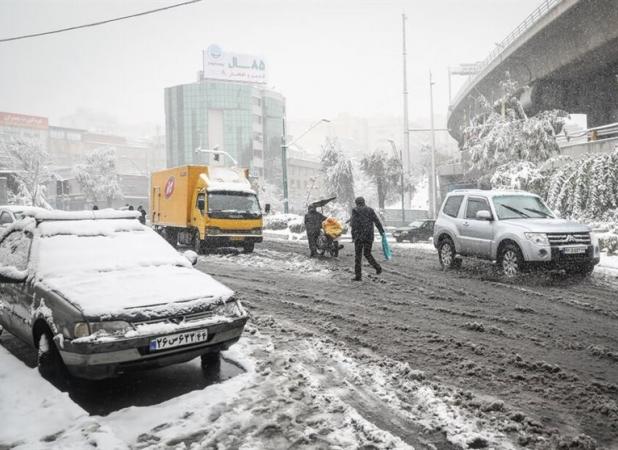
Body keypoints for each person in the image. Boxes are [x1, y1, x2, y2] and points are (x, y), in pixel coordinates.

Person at [350, 196, 385, 281]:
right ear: (364, 202)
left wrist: (353, 236)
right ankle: (377, 267)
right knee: (367, 253)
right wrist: (381, 231)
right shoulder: (370, 210)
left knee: (358, 256)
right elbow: (377, 221)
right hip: (369, 236)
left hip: (359, 236)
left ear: (357, 203)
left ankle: (358, 276)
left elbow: (353, 225)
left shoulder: (355, 210)